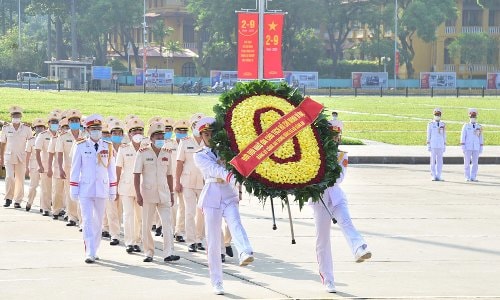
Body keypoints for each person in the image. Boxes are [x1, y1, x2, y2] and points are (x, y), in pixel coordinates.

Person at [193, 117, 254, 295]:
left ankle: (245, 251)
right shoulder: (199, 155)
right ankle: (217, 281)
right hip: (212, 194)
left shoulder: (225, 151)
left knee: (235, 222)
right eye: (206, 134)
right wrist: (233, 178)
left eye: (212, 133)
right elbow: (215, 170)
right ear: (201, 136)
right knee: (213, 241)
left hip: (228, 193)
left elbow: (238, 163)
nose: (210, 136)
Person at [310, 119, 371, 294]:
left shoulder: (341, 155)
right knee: (322, 240)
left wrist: (323, 176)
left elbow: (339, 179)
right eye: (332, 135)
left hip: (336, 197)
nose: (335, 139)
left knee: (346, 221)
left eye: (337, 135)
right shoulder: (314, 154)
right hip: (320, 201)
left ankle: (359, 248)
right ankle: (328, 279)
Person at [70, 114, 117, 263]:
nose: (96, 131)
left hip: (102, 188)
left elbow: (111, 170)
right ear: (88, 130)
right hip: (86, 188)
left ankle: (95, 248)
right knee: (87, 220)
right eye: (93, 129)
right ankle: (89, 251)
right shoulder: (81, 146)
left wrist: (112, 188)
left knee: (98, 222)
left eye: (98, 129)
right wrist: (73, 188)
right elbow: (75, 168)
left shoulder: (107, 146)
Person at [133, 121, 180, 263]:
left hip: (164, 193)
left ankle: (168, 253)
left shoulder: (167, 153)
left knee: (167, 224)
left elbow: (170, 175)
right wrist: (138, 194)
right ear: (151, 138)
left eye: (162, 136)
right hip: (148, 194)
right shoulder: (143, 153)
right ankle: (148, 252)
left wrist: (172, 193)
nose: (160, 139)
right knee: (147, 224)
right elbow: (136, 174)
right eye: (157, 136)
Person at [176, 113, 206, 253]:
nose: (197, 128)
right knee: (189, 212)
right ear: (192, 126)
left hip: (204, 182)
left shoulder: (208, 140)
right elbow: (179, 163)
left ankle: (200, 239)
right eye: (195, 125)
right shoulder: (185, 141)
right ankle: (191, 241)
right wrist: (177, 182)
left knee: (203, 212)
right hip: (187, 182)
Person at [116, 118, 145, 254]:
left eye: (140, 130)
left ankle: (137, 241)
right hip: (126, 186)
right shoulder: (123, 148)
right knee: (128, 215)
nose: (137, 133)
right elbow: (118, 168)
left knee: (140, 217)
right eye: (134, 131)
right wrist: (115, 187)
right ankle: (129, 242)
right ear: (129, 134)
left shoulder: (148, 147)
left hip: (143, 187)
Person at [56, 109, 84, 227]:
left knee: (83, 194)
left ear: (79, 121)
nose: (74, 122)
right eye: (72, 120)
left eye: (76, 120)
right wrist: (61, 169)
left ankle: (82, 219)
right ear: (68, 122)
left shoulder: (85, 135)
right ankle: (72, 217)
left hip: (83, 169)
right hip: (69, 168)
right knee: (70, 192)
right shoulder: (63, 136)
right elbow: (59, 153)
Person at [0, 106, 33, 208]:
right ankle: (8, 198)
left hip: (21, 157)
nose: (16, 118)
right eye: (14, 116)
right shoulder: (6, 128)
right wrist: (1, 157)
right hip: (9, 156)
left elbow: (31, 142)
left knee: (20, 179)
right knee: (9, 177)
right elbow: (2, 144)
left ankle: (18, 200)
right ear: (11, 117)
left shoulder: (27, 128)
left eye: (18, 116)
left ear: (21, 117)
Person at [104, 120, 126, 246]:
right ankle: (114, 235)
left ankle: (111, 228)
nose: (117, 135)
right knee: (111, 209)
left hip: (124, 183)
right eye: (114, 133)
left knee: (119, 210)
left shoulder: (125, 148)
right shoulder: (105, 147)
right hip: (109, 182)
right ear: (111, 134)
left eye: (119, 133)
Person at [35, 112, 61, 216]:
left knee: (57, 190)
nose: (54, 123)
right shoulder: (43, 135)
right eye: (52, 122)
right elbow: (37, 152)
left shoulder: (60, 135)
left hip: (58, 167)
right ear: (48, 123)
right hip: (45, 166)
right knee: (46, 189)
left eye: (56, 122)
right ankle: (45, 208)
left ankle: (57, 208)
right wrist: (40, 165)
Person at [164, 118, 186, 243]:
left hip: (184, 179)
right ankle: (169, 229)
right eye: (179, 131)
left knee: (183, 207)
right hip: (170, 178)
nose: (181, 133)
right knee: (171, 206)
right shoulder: (168, 144)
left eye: (184, 131)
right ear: (175, 131)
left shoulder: (188, 144)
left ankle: (180, 231)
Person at [25, 118, 46, 211]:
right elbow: (27, 155)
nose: (39, 129)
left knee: (45, 187)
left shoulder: (47, 138)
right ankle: (29, 202)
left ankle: (43, 206)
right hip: (34, 165)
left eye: (41, 127)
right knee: (33, 186)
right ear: (34, 128)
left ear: (44, 128)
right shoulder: (31, 140)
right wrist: (26, 167)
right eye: (37, 127)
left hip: (45, 164)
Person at [460, 108, 484, 182]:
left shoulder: (479, 126)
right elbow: (463, 136)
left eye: (474, 116)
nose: (473, 118)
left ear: (476, 117)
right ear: (469, 117)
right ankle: (467, 176)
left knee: (475, 163)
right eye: (471, 116)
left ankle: (473, 176)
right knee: (467, 162)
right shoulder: (466, 126)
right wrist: (463, 147)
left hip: (476, 147)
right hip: (468, 146)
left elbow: (481, 137)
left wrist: (481, 147)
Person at [426, 108, 446, 181]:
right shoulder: (430, 124)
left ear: (440, 115)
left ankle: (439, 175)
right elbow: (428, 134)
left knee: (440, 161)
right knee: (432, 160)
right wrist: (428, 144)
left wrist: (444, 145)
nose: (437, 116)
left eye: (438, 115)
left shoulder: (443, 124)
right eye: (436, 115)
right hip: (433, 144)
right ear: (434, 115)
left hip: (440, 144)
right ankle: (433, 175)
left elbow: (444, 135)